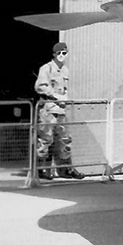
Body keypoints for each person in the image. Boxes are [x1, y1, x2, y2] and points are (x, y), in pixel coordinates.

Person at [34, 43, 82, 180]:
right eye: (58, 53)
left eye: (64, 53)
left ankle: (66, 169)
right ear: (54, 54)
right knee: (45, 139)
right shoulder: (46, 68)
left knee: (66, 139)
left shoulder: (65, 70)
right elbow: (40, 87)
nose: (61, 56)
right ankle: (40, 169)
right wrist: (55, 96)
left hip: (61, 110)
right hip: (48, 109)